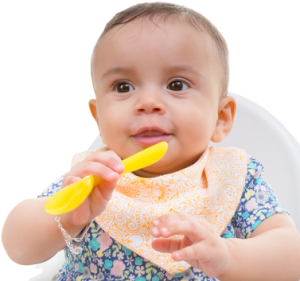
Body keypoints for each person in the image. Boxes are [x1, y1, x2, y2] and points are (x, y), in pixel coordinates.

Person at [1, 1, 300, 280]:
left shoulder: (234, 178)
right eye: (123, 86)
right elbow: (17, 250)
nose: (147, 102)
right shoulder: (94, 179)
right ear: (98, 116)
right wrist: (63, 218)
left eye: (176, 84)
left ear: (220, 118)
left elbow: (292, 259)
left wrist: (228, 256)